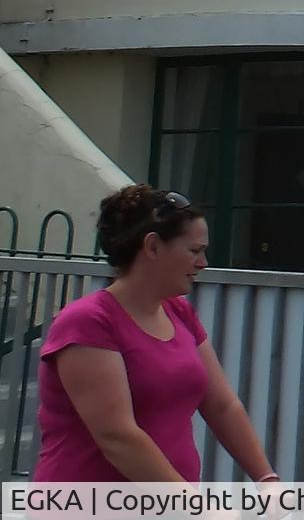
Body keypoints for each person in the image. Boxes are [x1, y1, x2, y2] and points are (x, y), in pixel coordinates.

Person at [32, 185, 278, 483]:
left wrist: (266, 480)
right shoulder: (87, 322)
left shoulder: (179, 313)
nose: (203, 263)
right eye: (194, 250)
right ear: (152, 247)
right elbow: (117, 436)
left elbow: (222, 406)